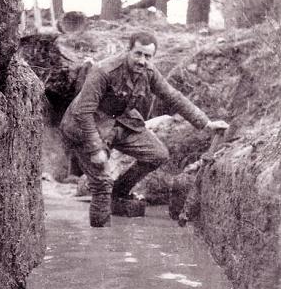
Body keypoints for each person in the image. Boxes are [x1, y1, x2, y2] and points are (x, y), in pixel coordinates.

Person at [60, 31, 229, 228]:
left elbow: (173, 96)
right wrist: (96, 148)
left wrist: (206, 123)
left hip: (121, 122)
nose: (142, 61)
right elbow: (83, 112)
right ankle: (101, 240)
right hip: (84, 127)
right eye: (138, 54)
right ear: (128, 50)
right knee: (101, 183)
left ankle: (119, 192)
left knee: (157, 154)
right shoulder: (104, 70)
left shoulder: (148, 71)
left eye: (147, 56)